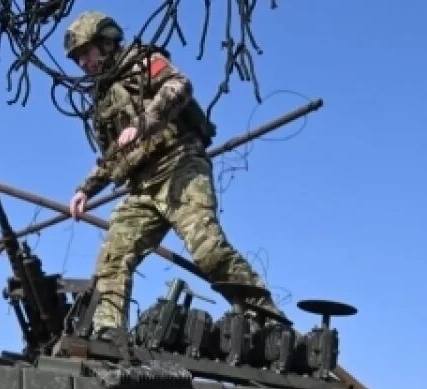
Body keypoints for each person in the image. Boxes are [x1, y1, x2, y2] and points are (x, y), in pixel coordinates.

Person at [63, 10, 283, 338]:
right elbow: (113, 154)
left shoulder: (140, 62)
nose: (83, 63)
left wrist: (143, 123)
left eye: (87, 52)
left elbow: (179, 86)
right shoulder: (103, 98)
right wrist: (85, 189)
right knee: (113, 256)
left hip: (179, 165)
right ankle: (108, 332)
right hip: (142, 186)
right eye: (78, 58)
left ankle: (267, 319)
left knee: (208, 250)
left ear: (106, 42)